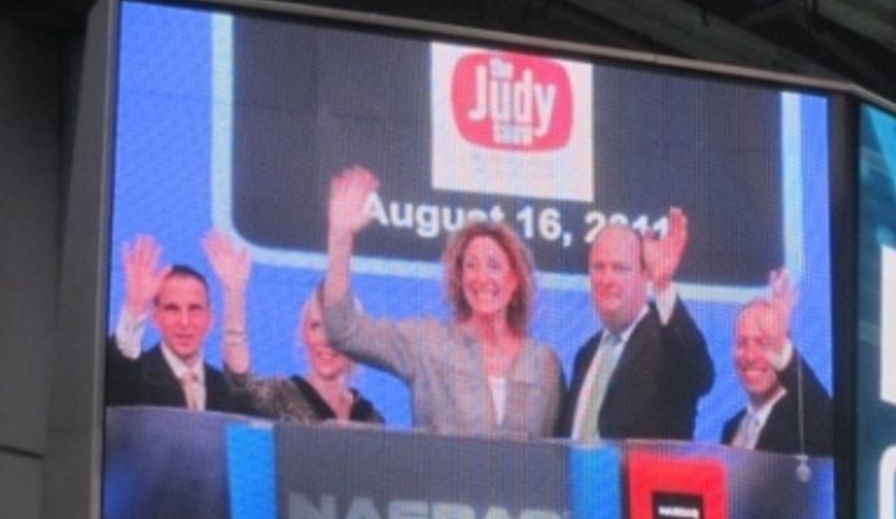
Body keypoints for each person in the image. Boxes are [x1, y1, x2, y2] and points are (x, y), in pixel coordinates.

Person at [320, 165, 563, 437]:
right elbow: (345, 331)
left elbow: (558, 456)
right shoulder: (427, 342)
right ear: (459, 278)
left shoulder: (544, 363)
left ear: (515, 279)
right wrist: (340, 236)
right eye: (471, 266)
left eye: (494, 266)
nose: (481, 277)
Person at [559, 209, 715, 440]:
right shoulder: (586, 354)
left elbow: (701, 377)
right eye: (598, 267)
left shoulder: (666, 342)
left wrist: (663, 285)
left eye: (620, 268)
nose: (606, 279)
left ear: (645, 275)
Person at [203, 230, 384, 425]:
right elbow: (240, 385)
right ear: (304, 335)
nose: (324, 340)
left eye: (336, 328)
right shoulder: (279, 397)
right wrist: (234, 293)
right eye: (315, 326)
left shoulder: (370, 418)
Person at [106, 233, 244, 412]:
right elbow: (116, 371)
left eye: (194, 309)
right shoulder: (135, 375)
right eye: (172, 309)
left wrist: (234, 292)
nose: (184, 322)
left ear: (209, 319)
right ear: (156, 317)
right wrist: (135, 306)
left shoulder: (224, 388)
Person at [722, 270, 832, 456]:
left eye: (763, 343)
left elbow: (830, 420)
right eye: (742, 343)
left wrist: (780, 350)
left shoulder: (806, 419)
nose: (750, 356)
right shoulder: (731, 428)